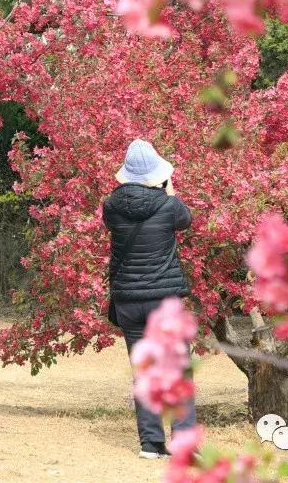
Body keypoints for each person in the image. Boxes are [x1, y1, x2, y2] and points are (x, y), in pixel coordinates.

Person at [101, 139, 195, 460]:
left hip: (128, 301)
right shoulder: (169, 206)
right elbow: (186, 219)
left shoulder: (111, 206)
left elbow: (123, 216)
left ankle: (151, 445)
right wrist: (169, 190)